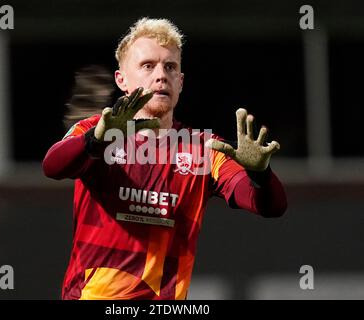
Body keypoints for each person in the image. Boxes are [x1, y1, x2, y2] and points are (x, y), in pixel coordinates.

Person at [42, 17, 287, 300]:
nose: (161, 76)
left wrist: (261, 174)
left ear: (180, 82)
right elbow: (53, 166)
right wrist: (95, 142)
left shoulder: (205, 149)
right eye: (148, 66)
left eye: (170, 67)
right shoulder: (94, 131)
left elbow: (271, 206)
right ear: (121, 80)